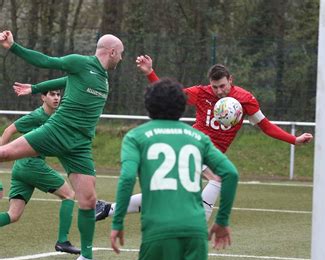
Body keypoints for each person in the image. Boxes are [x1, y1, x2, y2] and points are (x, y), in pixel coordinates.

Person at [95, 55, 313, 222]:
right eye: (215, 87)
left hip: (210, 153)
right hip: (193, 145)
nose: (218, 91)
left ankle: (108, 209)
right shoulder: (201, 93)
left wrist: (294, 140)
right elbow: (169, 94)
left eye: (222, 86)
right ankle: (198, 226)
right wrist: (150, 72)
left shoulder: (245, 100)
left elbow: (265, 126)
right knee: (218, 178)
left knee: (166, 195)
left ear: (231, 81)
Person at [0, 30, 124, 260]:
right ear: (111, 52)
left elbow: (65, 83)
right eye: (120, 54)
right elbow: (46, 61)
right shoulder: (81, 63)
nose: (121, 59)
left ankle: (86, 258)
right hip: (56, 131)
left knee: (88, 200)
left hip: (79, 146)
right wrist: (13, 46)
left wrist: (34, 88)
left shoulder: (103, 78)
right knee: (3, 153)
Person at [110, 78, 239, 260]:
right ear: (182, 107)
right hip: (195, 229)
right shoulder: (199, 137)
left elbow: (128, 178)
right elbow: (230, 173)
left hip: (159, 230)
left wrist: (117, 221)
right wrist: (222, 221)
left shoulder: (137, 137)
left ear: (148, 105)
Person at [0, 87, 80, 254]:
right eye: (52, 94)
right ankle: (62, 241)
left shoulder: (57, 117)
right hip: (30, 165)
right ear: (43, 97)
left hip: (21, 168)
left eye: (58, 94)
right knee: (69, 195)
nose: (56, 98)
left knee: (13, 215)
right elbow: (9, 130)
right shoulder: (37, 116)